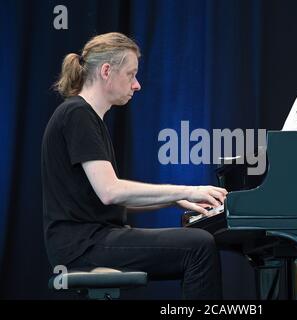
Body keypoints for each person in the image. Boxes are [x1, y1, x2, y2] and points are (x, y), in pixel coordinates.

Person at [41, 32, 227, 299]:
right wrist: (185, 190)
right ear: (106, 71)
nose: (137, 84)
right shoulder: (77, 114)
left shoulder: (85, 116)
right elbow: (110, 191)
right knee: (199, 246)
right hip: (83, 244)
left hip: (88, 239)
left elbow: (109, 200)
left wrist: (173, 201)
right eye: (131, 74)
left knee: (197, 243)